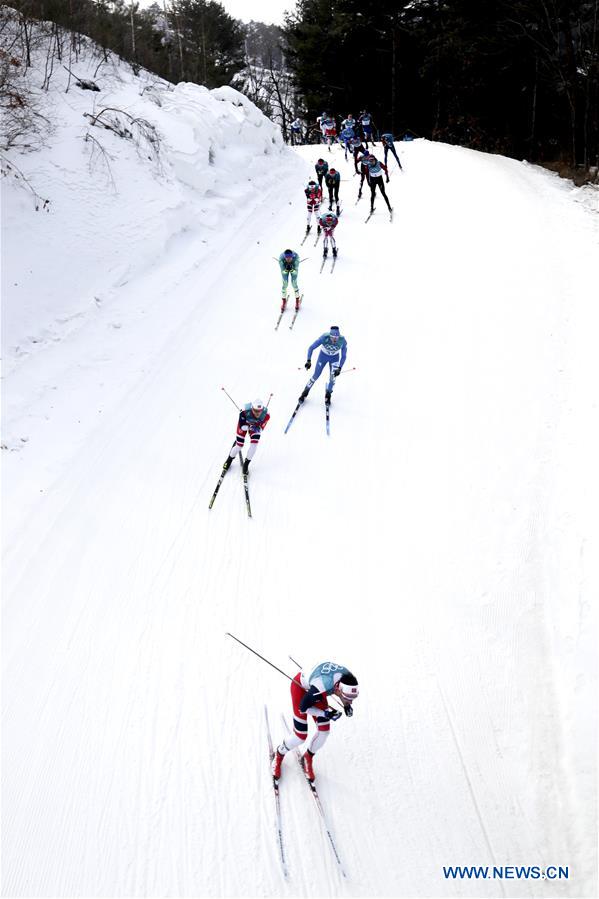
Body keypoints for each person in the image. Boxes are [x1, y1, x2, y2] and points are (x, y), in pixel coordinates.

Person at [272, 662, 359, 782]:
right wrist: (325, 713)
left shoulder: (347, 677)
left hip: (317, 692)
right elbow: (304, 707)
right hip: (301, 689)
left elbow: (343, 693)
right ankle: (279, 753)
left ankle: (308, 757)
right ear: (338, 688)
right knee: (300, 736)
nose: (350, 702)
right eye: (347, 698)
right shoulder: (323, 684)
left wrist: (346, 705)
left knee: (324, 731)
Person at [298, 325, 347, 406]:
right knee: (316, 375)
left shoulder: (342, 340)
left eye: (336, 338)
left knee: (333, 378)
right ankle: (305, 392)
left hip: (334, 359)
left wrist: (340, 367)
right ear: (329, 336)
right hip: (323, 357)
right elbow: (311, 347)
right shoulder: (324, 337)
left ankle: (328, 395)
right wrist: (309, 360)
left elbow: (344, 355)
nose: (334, 339)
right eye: (332, 337)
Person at [221, 400, 270, 476]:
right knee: (239, 446)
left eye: (259, 411)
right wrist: (248, 426)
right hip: (244, 425)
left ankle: (246, 464)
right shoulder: (244, 413)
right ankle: (229, 460)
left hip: (254, 427)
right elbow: (242, 426)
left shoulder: (266, 415)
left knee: (254, 445)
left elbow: (261, 428)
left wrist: (256, 427)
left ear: (262, 409)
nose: (257, 413)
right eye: (255, 411)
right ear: (251, 409)